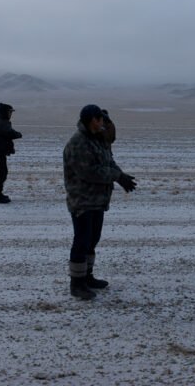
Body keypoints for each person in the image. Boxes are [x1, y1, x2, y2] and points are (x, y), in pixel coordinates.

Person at [63, 105, 137, 300]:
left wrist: (121, 175)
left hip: (97, 199)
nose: (103, 123)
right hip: (82, 199)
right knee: (81, 241)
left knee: (92, 239)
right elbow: (89, 172)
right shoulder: (79, 143)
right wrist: (116, 176)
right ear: (91, 120)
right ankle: (76, 284)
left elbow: (108, 162)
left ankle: (87, 277)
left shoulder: (98, 140)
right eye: (100, 119)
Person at [0, 102, 22, 203]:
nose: (11, 114)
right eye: (10, 112)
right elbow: (9, 133)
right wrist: (18, 134)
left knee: (1, 173)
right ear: (5, 112)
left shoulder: (2, 121)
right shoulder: (0, 122)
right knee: (0, 174)